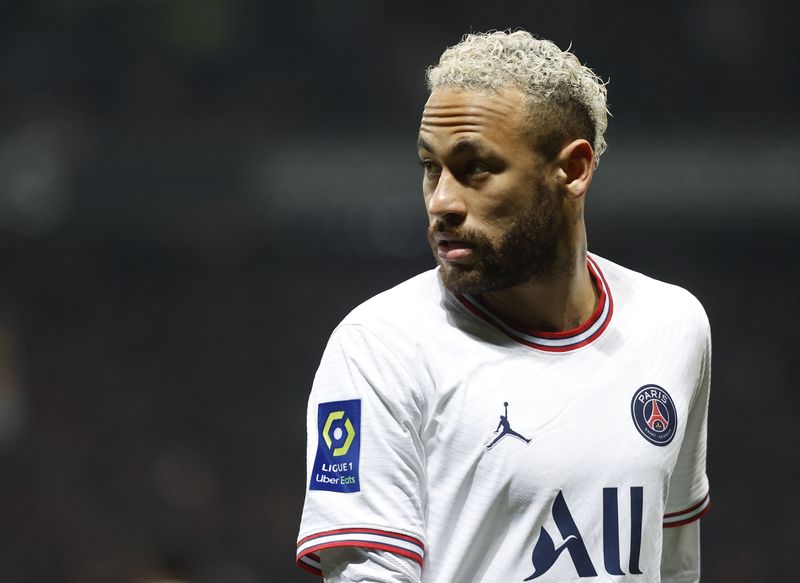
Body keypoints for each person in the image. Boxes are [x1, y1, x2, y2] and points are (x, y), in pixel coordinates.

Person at [295, 30, 711, 583]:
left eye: (476, 168)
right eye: (430, 167)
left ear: (573, 169)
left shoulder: (674, 325)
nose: (442, 201)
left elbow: (674, 562)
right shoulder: (380, 345)